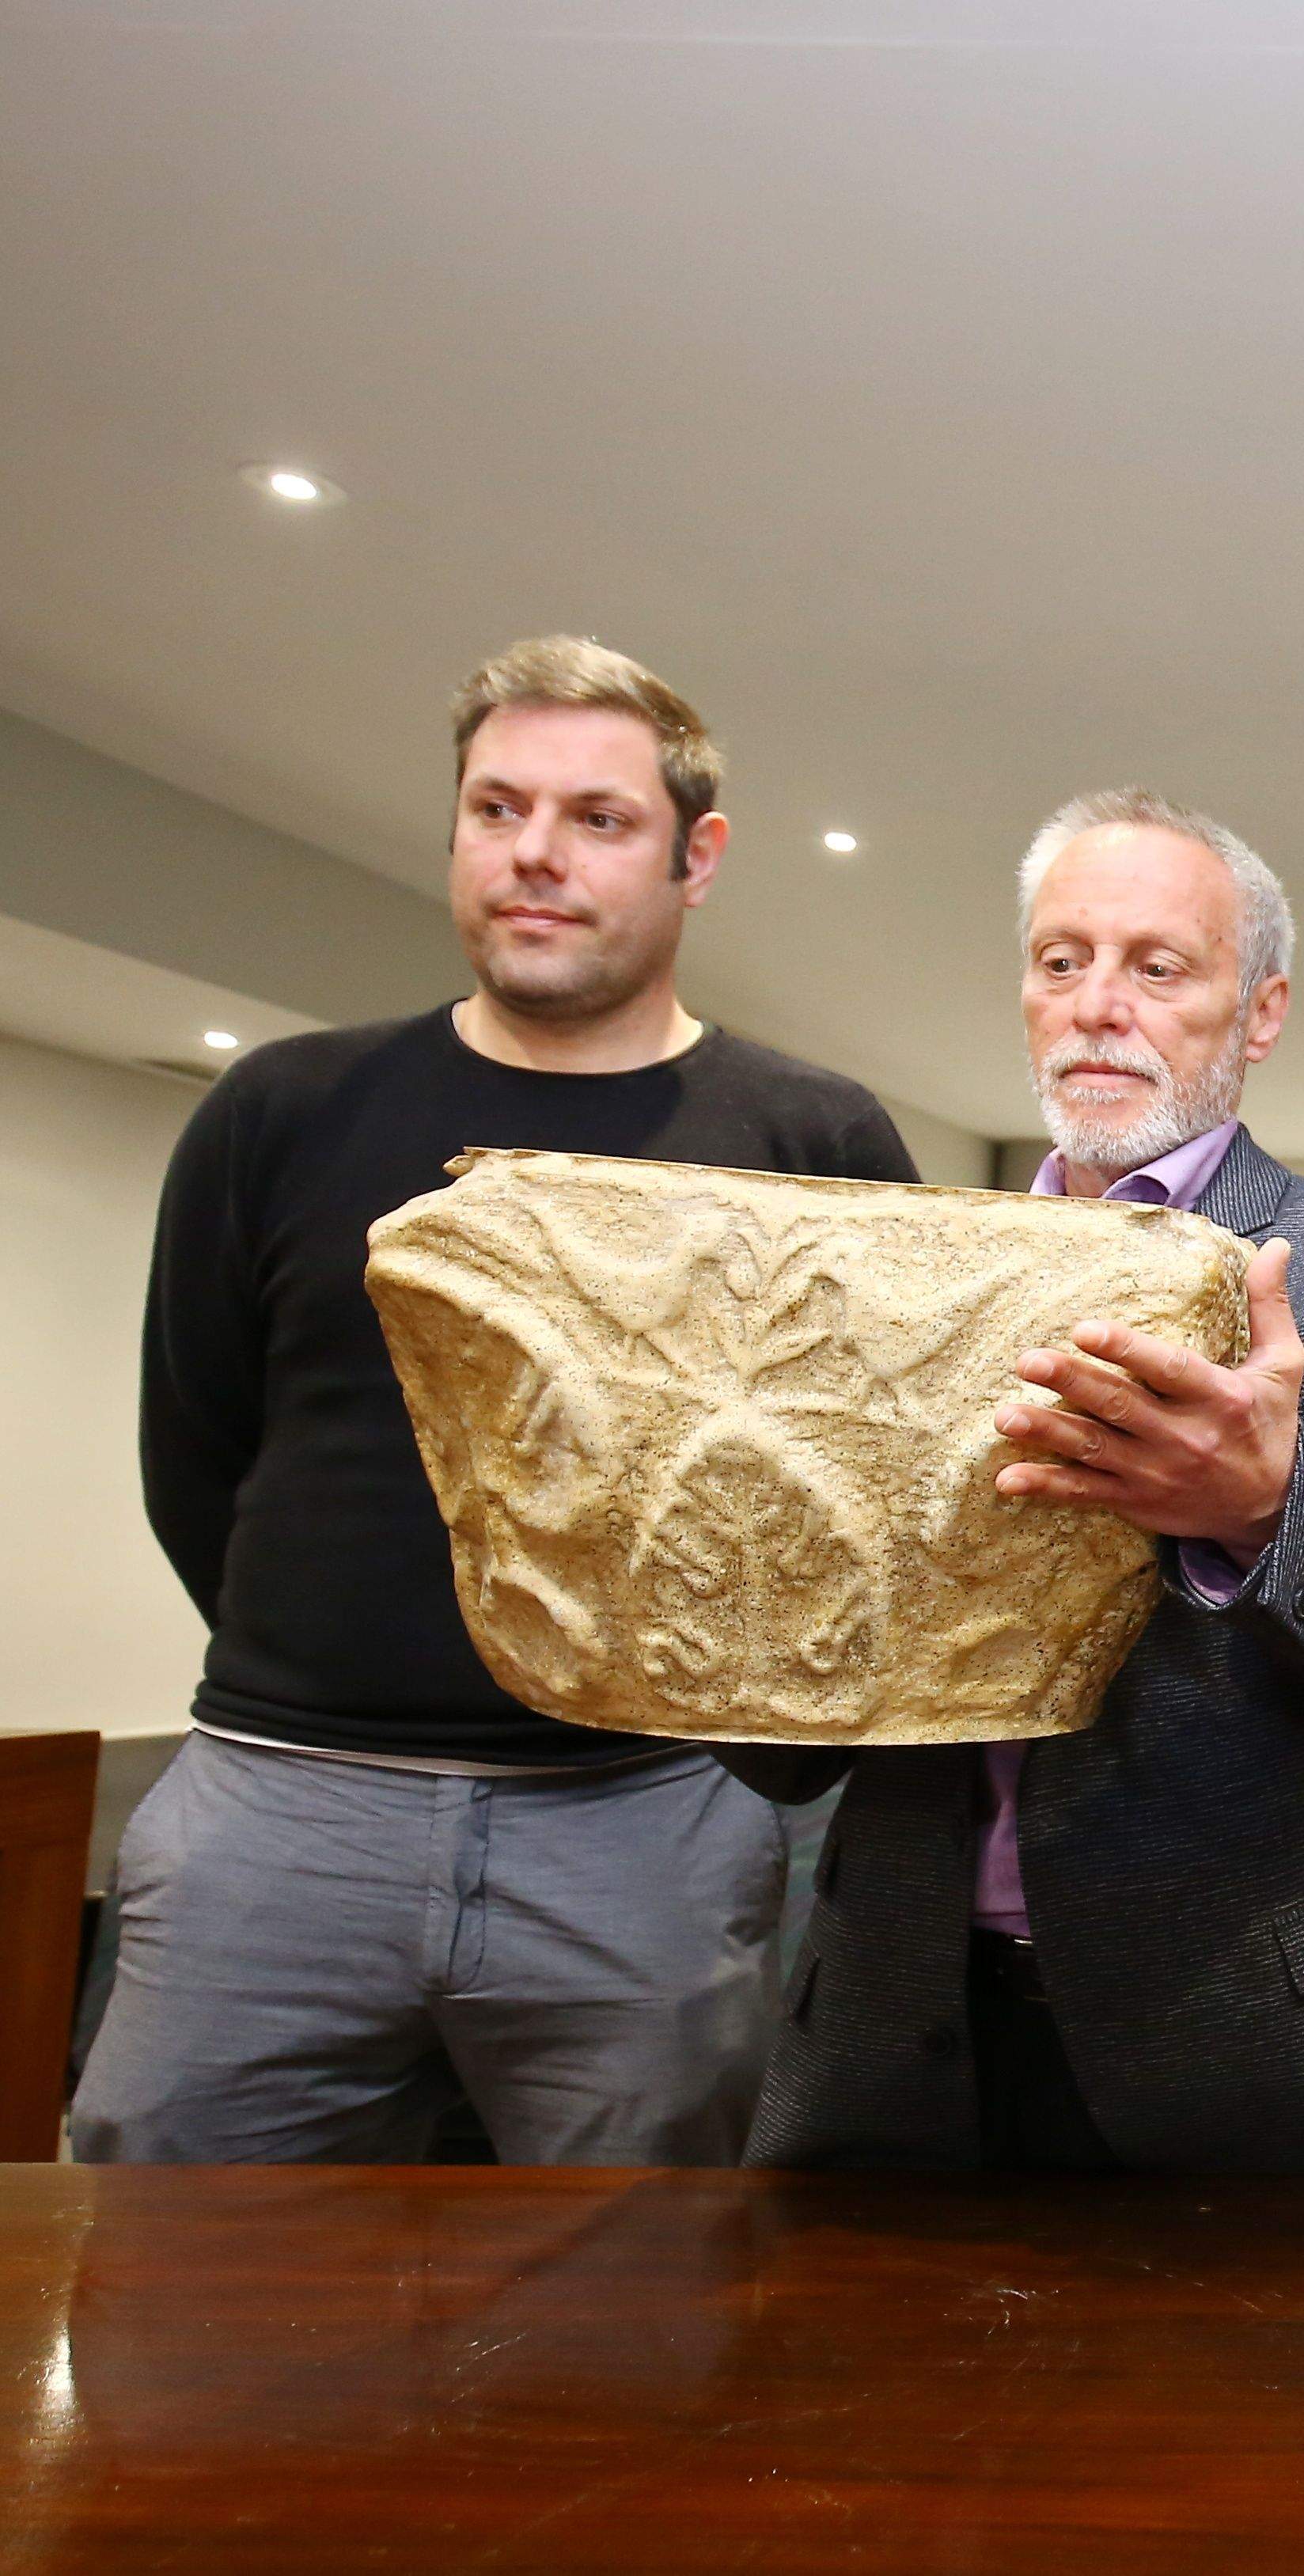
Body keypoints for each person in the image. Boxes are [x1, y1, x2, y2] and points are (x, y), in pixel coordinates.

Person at [80, 635, 919, 2165]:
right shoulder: (282, 1109)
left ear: (695, 858)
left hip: (643, 1833)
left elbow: (870, 1493)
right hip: (280, 1818)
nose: (535, 853)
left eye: (597, 818)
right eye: (496, 808)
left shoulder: (811, 1140)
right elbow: (195, 1452)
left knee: (642, 2294)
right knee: (170, 2284)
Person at [737, 787, 1304, 2176]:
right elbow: (788, 1741)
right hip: (911, 2038)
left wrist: (1264, 1501)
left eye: (1157, 965)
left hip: (1277, 2046)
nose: (1097, 1005)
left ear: (1258, 1012)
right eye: (1061, 961)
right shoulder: (891, 1281)